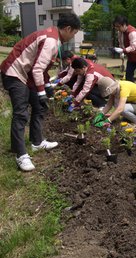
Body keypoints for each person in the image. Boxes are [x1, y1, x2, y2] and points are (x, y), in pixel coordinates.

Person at [0, 12, 81, 172]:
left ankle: (37, 142)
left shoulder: (52, 36)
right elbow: (37, 68)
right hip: (14, 73)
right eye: (74, 33)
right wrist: (42, 91)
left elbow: (40, 67)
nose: (72, 37)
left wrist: (46, 85)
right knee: (21, 113)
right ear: (68, 28)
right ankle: (21, 155)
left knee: (39, 106)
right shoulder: (51, 40)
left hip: (26, 74)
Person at [113, 15, 136, 97]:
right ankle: (131, 90)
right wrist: (122, 53)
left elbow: (134, 47)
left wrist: (123, 50)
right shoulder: (120, 32)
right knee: (129, 73)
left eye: (118, 26)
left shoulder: (132, 32)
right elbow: (121, 44)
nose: (117, 28)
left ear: (124, 24)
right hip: (131, 56)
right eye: (116, 27)